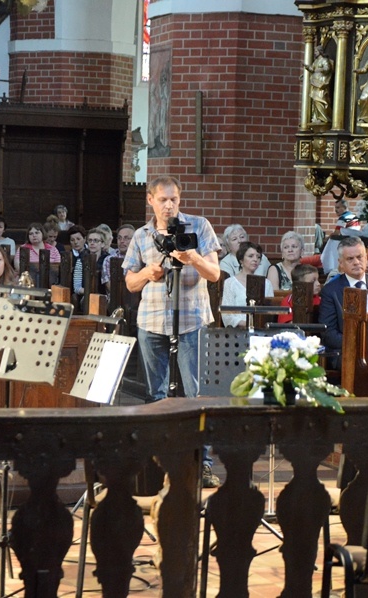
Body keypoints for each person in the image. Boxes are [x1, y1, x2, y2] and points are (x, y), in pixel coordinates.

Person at [122, 175, 221, 488]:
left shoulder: (199, 227)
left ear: (180, 200)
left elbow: (215, 274)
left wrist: (192, 257)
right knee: (157, 395)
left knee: (196, 395)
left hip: (192, 320)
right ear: (150, 200)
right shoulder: (141, 235)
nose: (169, 205)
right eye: (162, 199)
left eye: (174, 199)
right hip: (151, 322)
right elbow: (129, 283)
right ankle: (158, 462)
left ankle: (202, 463)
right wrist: (146, 274)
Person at [318, 236, 368, 352]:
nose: (356, 262)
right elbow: (328, 334)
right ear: (341, 263)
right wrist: (359, 343)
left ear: (366, 258)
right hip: (347, 350)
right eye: (350, 259)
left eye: (359, 257)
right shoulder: (330, 291)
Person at [221, 241, 273, 328]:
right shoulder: (230, 283)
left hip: (261, 329)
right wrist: (248, 324)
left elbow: (269, 312)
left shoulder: (267, 284)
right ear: (241, 260)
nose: (255, 259)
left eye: (258, 257)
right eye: (250, 256)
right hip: (237, 332)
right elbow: (227, 315)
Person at [305, 45, 334, 125]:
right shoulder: (316, 61)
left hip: (321, 83)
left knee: (319, 99)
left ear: (320, 52)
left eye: (316, 51)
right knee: (314, 100)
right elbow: (312, 69)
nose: (314, 53)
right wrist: (307, 67)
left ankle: (323, 118)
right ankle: (317, 117)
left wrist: (319, 70)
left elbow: (327, 68)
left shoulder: (324, 60)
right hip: (315, 83)